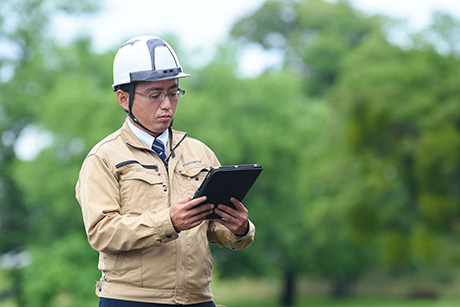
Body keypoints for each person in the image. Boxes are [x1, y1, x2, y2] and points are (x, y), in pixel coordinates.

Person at [75, 35, 255, 306]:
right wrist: (167, 222)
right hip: (131, 300)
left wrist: (240, 229)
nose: (167, 104)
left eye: (173, 92)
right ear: (123, 98)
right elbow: (101, 232)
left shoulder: (200, 153)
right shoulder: (103, 157)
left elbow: (214, 229)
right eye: (155, 94)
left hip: (199, 299)